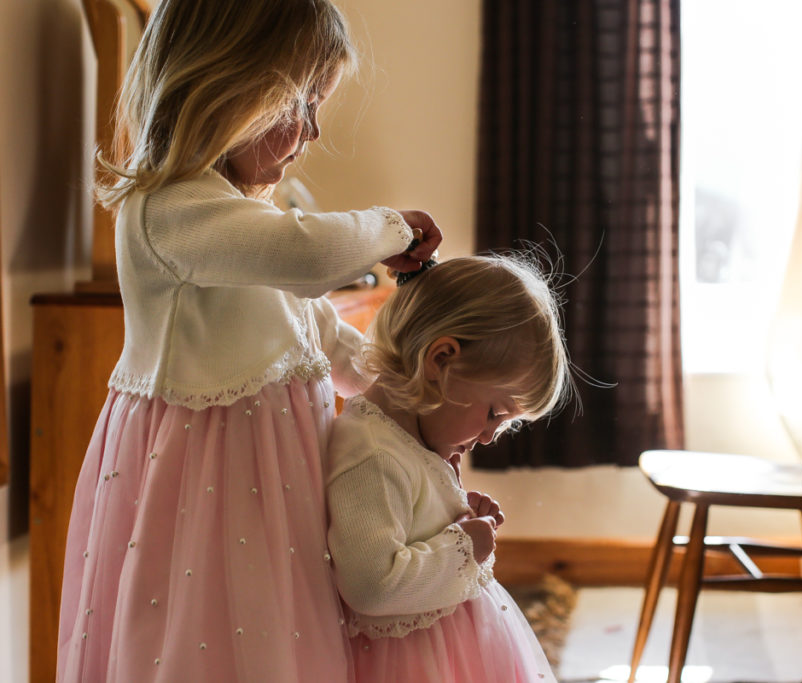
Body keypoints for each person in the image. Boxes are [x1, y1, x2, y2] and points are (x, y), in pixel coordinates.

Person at [56, 1, 442, 681]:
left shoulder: (245, 214)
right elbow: (304, 257)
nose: (314, 130)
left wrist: (396, 383)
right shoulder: (167, 210)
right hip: (203, 484)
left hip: (272, 481)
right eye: (302, 101)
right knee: (205, 639)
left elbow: (311, 325)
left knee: (277, 636)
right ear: (226, 85)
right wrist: (392, 227)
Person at [324, 254, 574, 682]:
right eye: (495, 412)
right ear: (440, 360)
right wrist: (464, 547)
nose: (490, 436)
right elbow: (372, 585)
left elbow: (412, 530)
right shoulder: (372, 454)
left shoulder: (408, 441)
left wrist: (455, 521)